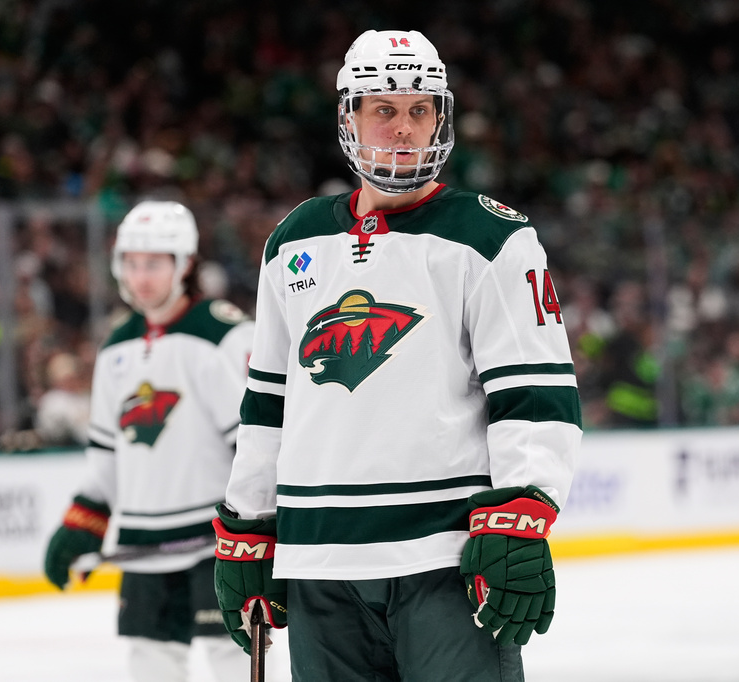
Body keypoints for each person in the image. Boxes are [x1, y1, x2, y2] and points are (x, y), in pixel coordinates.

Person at [213, 30, 582, 680]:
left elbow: (533, 394)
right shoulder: (294, 241)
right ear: (349, 117)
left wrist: (521, 511)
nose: (405, 128)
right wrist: (249, 522)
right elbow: (268, 401)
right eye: (384, 110)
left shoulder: (491, 237)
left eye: (421, 109)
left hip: (443, 561)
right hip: (319, 566)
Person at [43, 200, 268, 682]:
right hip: (144, 544)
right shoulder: (117, 346)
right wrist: (83, 520)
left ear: (184, 264)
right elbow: (108, 453)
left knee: (233, 657)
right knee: (150, 662)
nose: (140, 276)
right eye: (131, 263)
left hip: (218, 542)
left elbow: (255, 446)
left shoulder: (222, 336)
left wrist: (260, 525)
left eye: (154, 263)